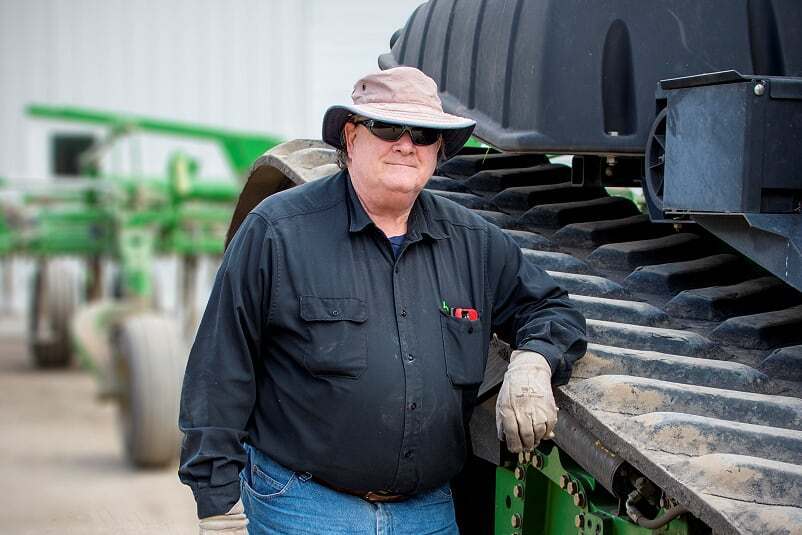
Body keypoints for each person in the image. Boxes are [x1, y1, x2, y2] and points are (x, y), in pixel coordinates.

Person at [179, 66, 586, 535]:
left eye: (425, 134)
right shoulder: (278, 231)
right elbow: (221, 362)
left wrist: (534, 360)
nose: (406, 144)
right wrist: (217, 497)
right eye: (388, 127)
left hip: (427, 512)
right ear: (351, 137)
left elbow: (551, 307)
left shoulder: (474, 242)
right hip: (304, 506)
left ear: (438, 151)